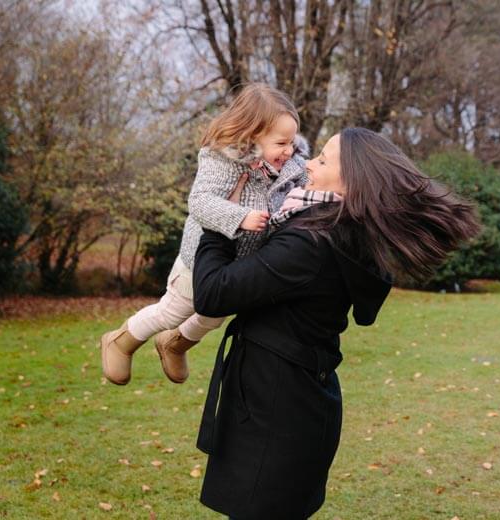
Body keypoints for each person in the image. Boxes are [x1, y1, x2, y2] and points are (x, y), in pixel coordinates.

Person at [192, 127, 481, 519]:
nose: (308, 163)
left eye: (323, 160)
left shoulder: (309, 243)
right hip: (292, 402)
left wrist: (221, 217)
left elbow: (212, 292)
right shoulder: (337, 230)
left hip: (276, 414)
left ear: (352, 181)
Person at [100, 83, 307, 386]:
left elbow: (304, 191)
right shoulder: (222, 160)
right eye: (280, 143)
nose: (288, 150)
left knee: (214, 316)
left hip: (236, 266)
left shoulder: (291, 169)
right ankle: (120, 341)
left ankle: (174, 344)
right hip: (199, 259)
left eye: (291, 142)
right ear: (252, 136)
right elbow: (200, 202)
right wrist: (240, 217)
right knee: (173, 311)